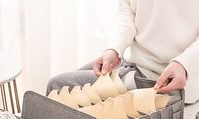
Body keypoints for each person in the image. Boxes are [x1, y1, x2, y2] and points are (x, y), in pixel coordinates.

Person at [47, 0, 199, 104]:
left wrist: (184, 64)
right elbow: (127, 12)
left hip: (164, 79)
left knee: (56, 86)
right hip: (132, 62)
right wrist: (114, 48)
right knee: (62, 86)